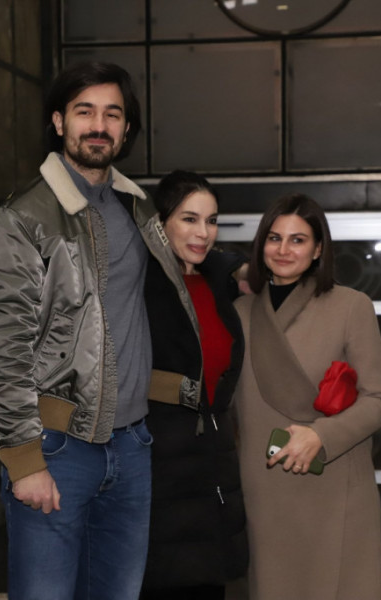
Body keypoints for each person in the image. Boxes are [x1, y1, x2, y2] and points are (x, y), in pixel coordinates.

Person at [0, 62, 183, 600]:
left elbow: (154, 299)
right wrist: (24, 460)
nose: (99, 125)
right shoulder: (22, 219)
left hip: (132, 444)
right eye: (84, 111)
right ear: (59, 121)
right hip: (57, 450)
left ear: (127, 129)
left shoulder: (138, 208)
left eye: (113, 114)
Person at [232, 194, 381, 599]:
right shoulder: (239, 312)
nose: (283, 250)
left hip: (332, 481)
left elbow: (380, 399)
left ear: (318, 249)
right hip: (264, 488)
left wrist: (322, 435)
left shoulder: (350, 306)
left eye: (298, 240)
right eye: (274, 238)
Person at [140, 171, 248, 600]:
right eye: (189, 219)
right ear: (161, 222)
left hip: (212, 464)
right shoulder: (139, 282)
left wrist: (232, 264)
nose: (203, 232)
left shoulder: (217, 282)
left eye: (211, 220)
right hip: (157, 464)